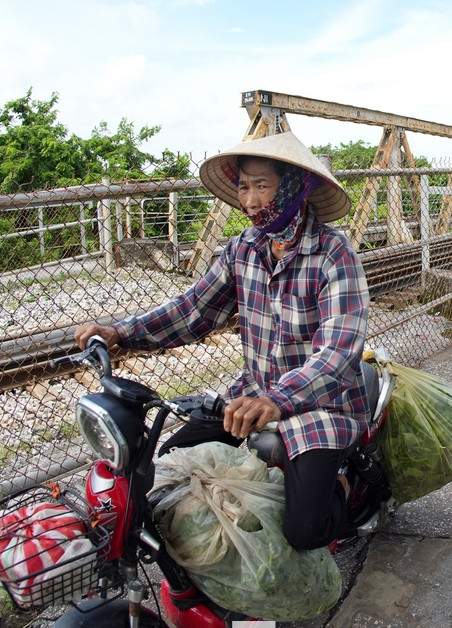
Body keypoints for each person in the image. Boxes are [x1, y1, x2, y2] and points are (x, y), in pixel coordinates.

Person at [73, 131, 370, 551]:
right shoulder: (242, 249)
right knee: (167, 470)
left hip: (321, 405)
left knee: (306, 530)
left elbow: (338, 351)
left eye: (261, 186)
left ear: (293, 187)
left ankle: (342, 485)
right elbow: (194, 309)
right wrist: (121, 332)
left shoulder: (334, 253)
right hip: (253, 393)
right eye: (243, 187)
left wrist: (278, 400)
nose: (249, 201)